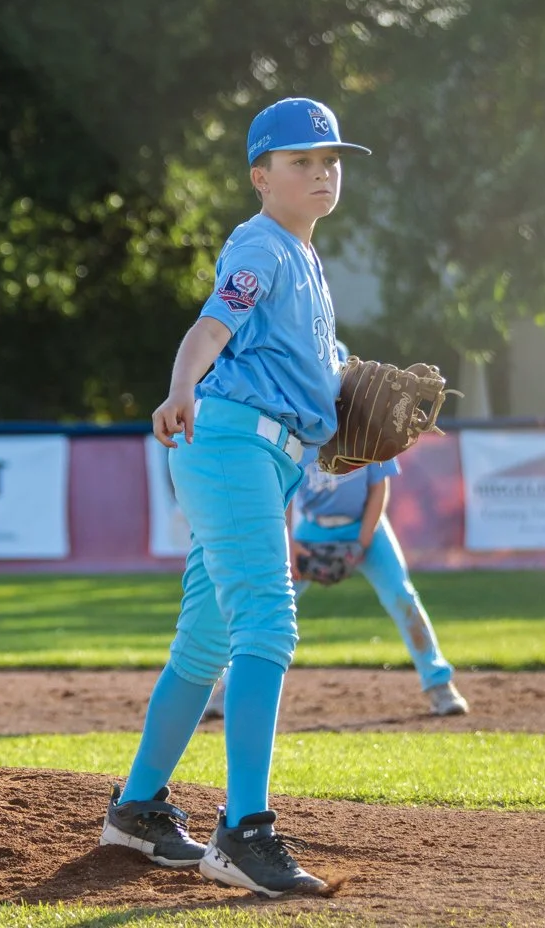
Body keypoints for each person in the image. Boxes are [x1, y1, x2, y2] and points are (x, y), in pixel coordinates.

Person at [98, 97, 370, 897]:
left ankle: (138, 808)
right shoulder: (260, 245)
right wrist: (179, 386)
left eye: (330, 160)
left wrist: (346, 400)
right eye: (300, 161)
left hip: (263, 457)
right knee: (268, 620)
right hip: (231, 445)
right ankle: (244, 831)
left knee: (207, 641)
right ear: (261, 176)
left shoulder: (307, 260)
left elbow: (313, 373)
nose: (321, 172)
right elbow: (211, 326)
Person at [203, 344, 469, 720]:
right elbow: (285, 491)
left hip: (367, 527)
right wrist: (289, 545)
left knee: (402, 596)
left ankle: (440, 684)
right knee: (265, 604)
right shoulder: (296, 424)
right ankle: (226, 690)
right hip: (309, 532)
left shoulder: (371, 424)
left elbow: (379, 488)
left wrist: (362, 542)